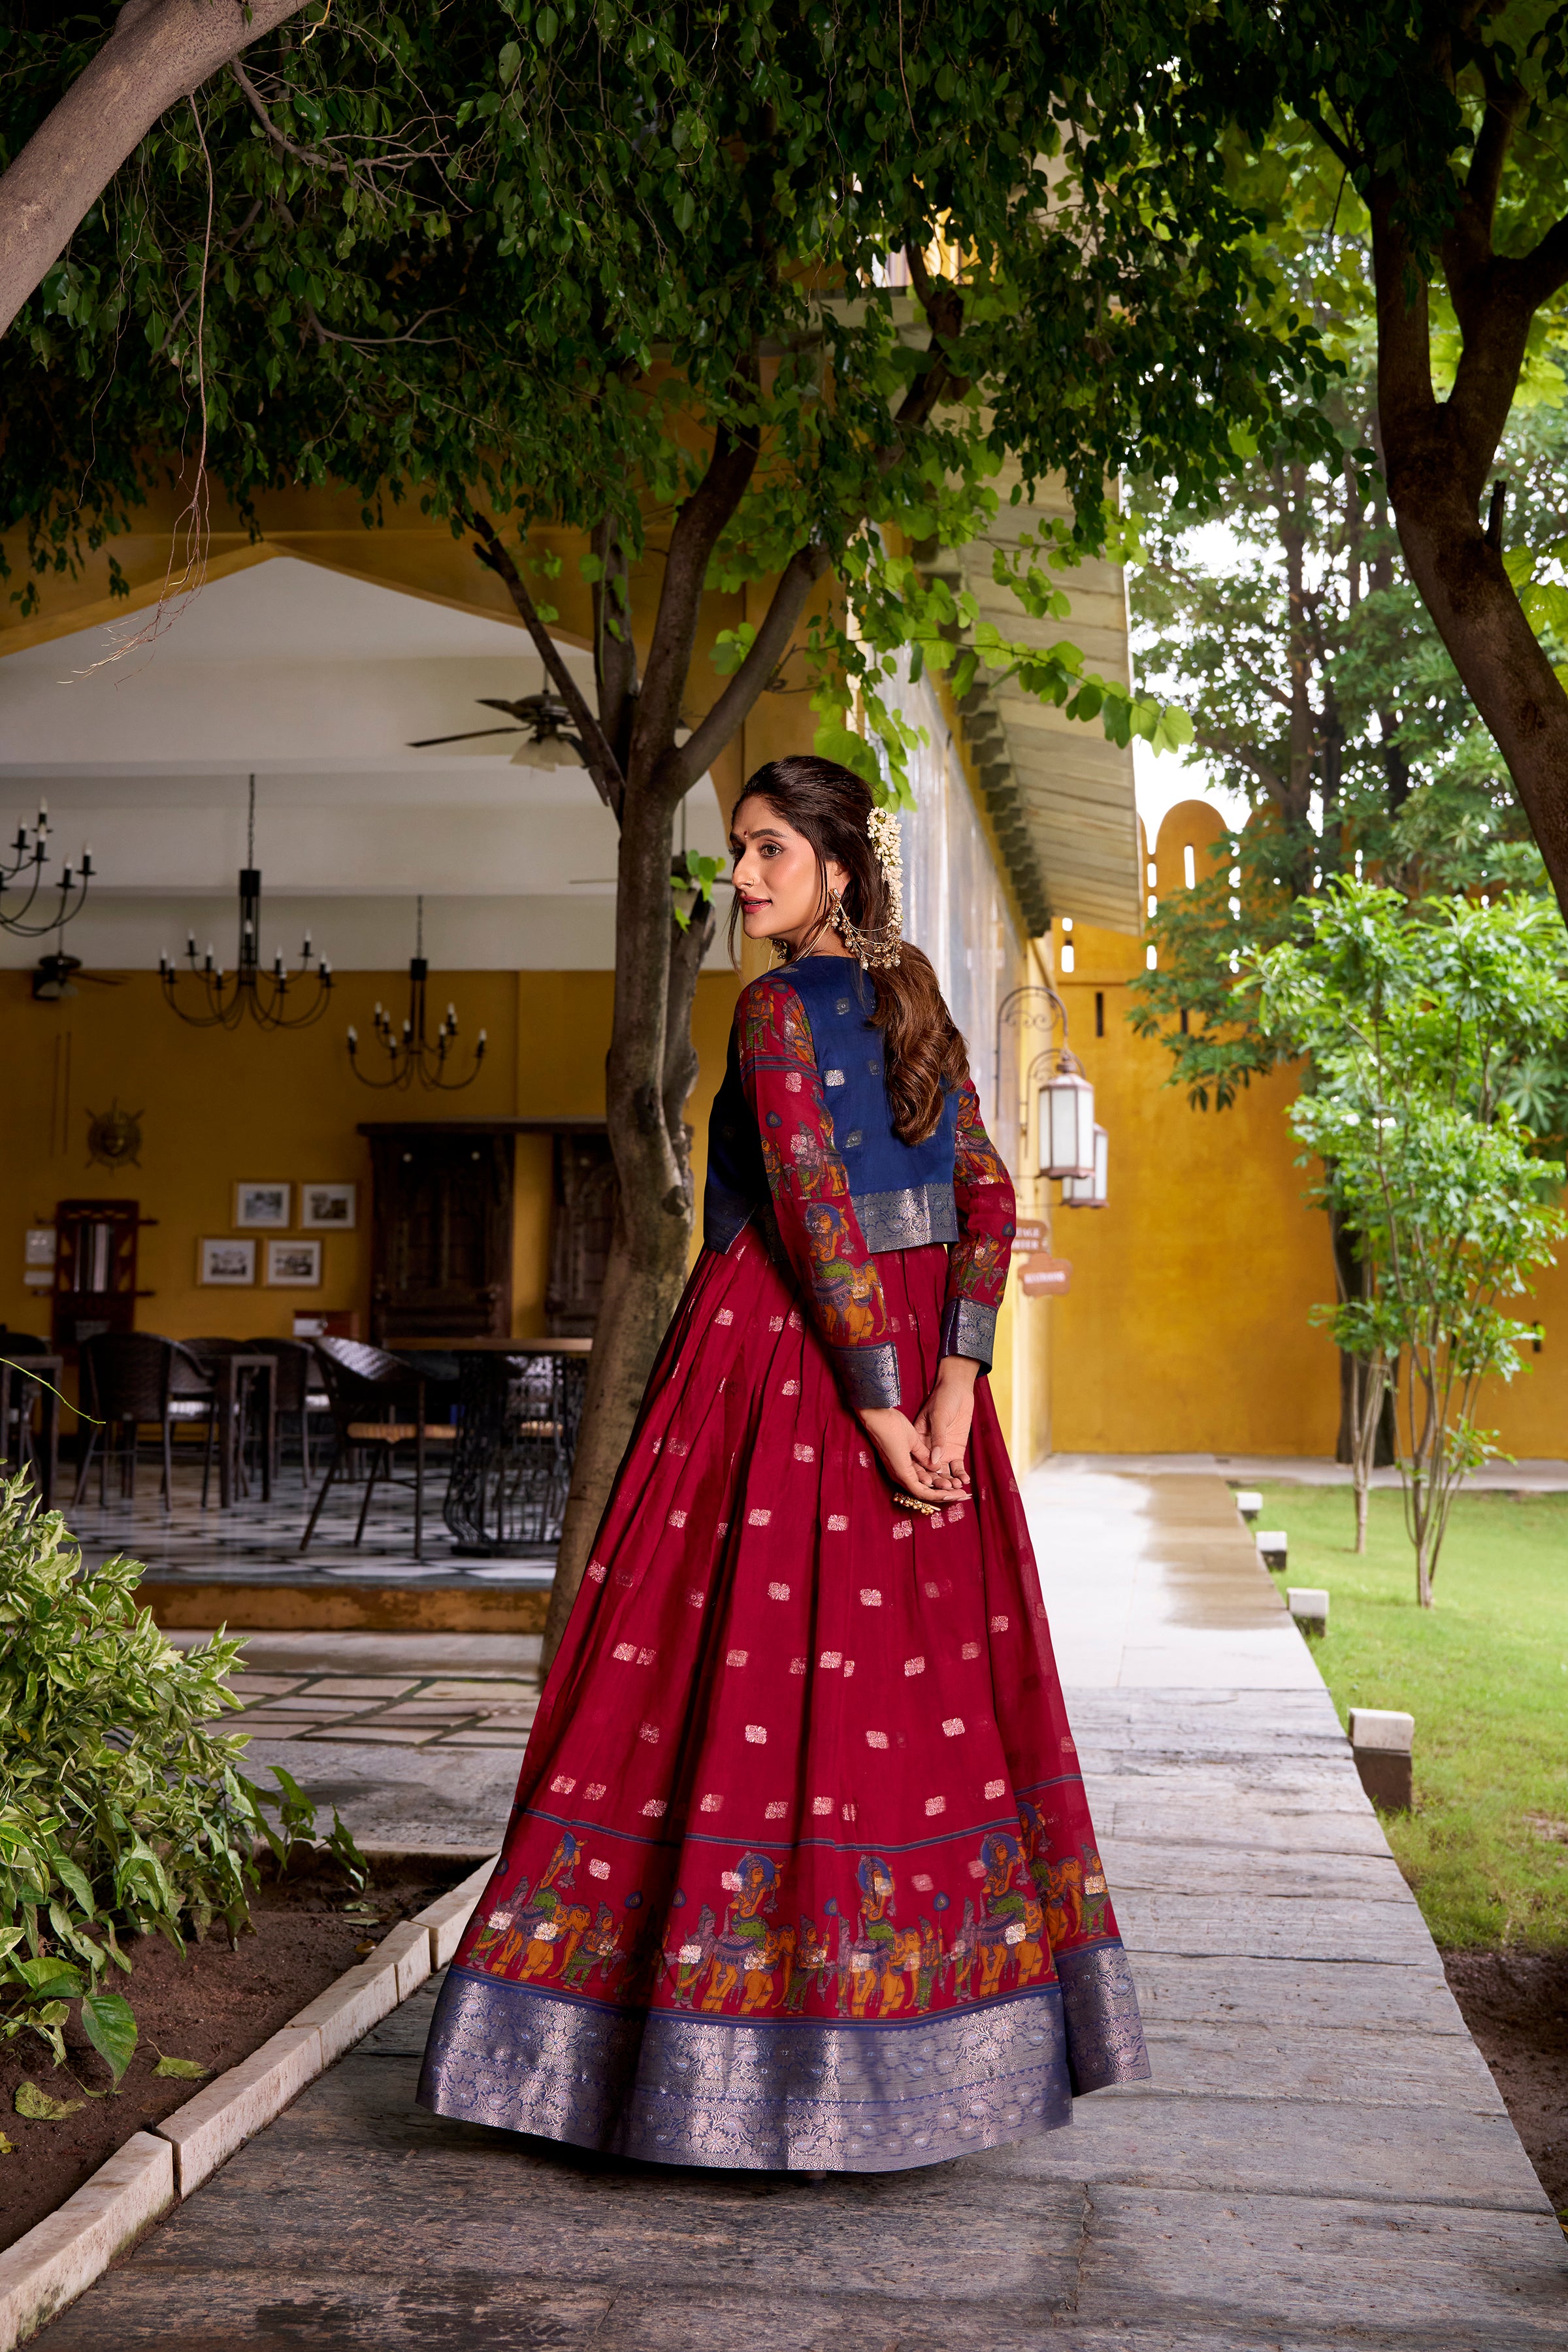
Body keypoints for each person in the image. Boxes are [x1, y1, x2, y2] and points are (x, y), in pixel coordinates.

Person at [417, 753, 1149, 2170]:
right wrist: (951, 1386)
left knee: (720, 1683)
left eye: (769, 850)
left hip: (780, 1366)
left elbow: (817, 1206)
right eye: (738, 849)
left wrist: (882, 1410)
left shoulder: (775, 1009)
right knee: (903, 1699)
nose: (743, 875)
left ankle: (696, 2059)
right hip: (911, 1370)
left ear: (838, 867)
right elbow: (985, 1196)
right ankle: (894, 2055)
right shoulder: (912, 995)